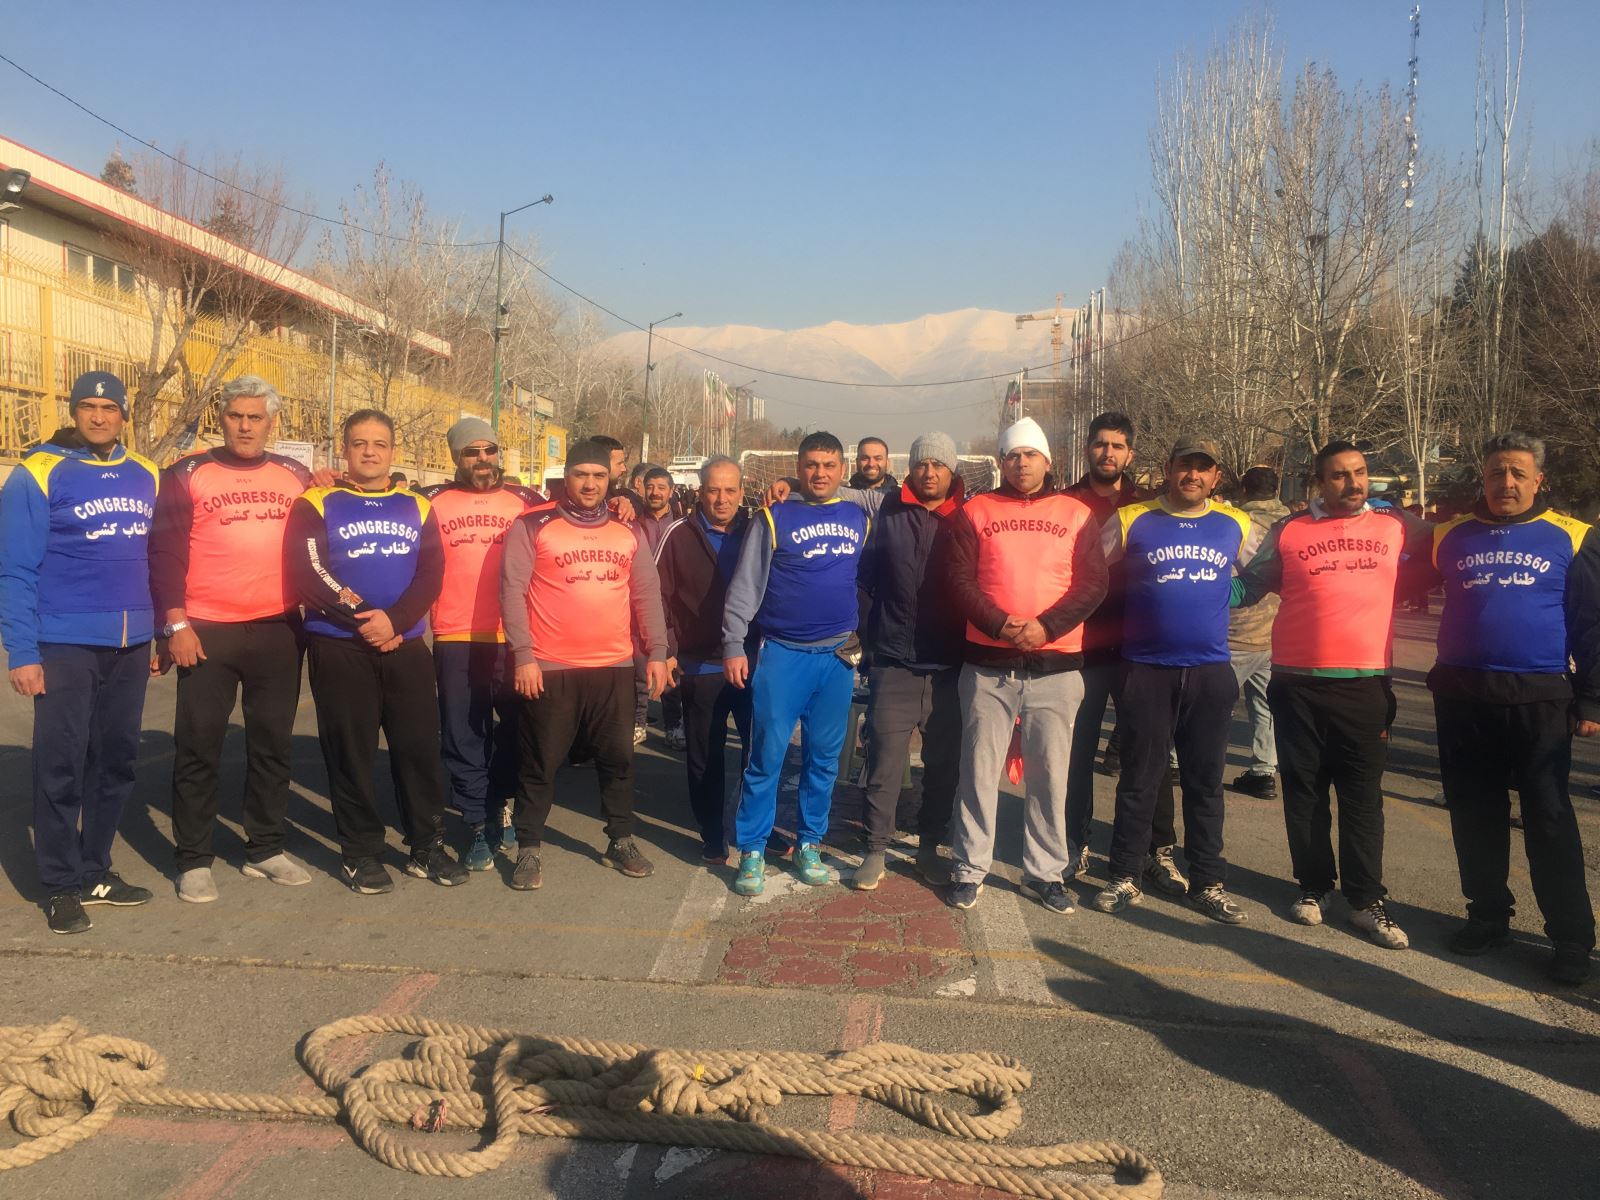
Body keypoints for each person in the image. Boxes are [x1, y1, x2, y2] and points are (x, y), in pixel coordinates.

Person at [1232, 441, 1429, 949]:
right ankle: (1313, 886)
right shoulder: (1290, 530)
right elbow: (1247, 587)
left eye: (1360, 472)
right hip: (1297, 684)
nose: (1353, 483)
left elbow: (1444, 553)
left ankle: (1365, 901)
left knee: (1362, 799)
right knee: (1305, 793)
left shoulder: (1395, 526)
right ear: (1319, 483)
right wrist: (1188, 589)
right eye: (1339, 475)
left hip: (1365, 684)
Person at [1428, 432, 1596, 985]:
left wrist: (1592, 697)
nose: (1507, 482)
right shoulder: (1449, 535)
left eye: (1518, 473)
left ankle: (1571, 937)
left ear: (1538, 480)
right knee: (1474, 813)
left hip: (1540, 698)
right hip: (1463, 695)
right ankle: (1487, 917)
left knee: (1548, 817)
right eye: (1497, 472)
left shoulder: (1573, 537)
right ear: (1483, 477)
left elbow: (1591, 624)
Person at [0, 371, 158, 934]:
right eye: (87, 406)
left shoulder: (147, 473)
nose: (98, 416)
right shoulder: (38, 472)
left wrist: (157, 631)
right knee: (61, 763)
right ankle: (61, 883)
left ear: (124, 415)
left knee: (115, 761)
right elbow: (14, 568)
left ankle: (96, 870)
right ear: (73, 411)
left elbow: (157, 556)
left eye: (109, 408)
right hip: (65, 642)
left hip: (132, 644)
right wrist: (22, 651)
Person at [285, 409, 467, 895]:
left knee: (418, 749)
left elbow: (431, 573)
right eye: (360, 443)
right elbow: (310, 571)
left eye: (379, 444)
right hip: (340, 645)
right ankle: (360, 852)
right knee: (351, 753)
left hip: (405, 646)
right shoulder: (316, 502)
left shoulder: (417, 506)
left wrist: (397, 620)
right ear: (345, 449)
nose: (369, 452)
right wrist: (366, 616)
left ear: (392, 451)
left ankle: (426, 845)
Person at [149, 375, 314, 903]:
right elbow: (165, 553)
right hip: (206, 630)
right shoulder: (186, 472)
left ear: (272, 422)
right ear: (220, 418)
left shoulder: (297, 475)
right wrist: (174, 625)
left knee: (272, 744)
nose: (245, 426)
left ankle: (265, 847)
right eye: (236, 416)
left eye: (255, 417)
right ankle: (193, 858)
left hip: (278, 628)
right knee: (199, 745)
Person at [942, 417, 1108, 913]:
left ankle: (1045, 873)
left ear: (1047, 460)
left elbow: (1092, 584)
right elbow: (958, 579)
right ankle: (969, 867)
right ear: (1001, 461)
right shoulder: (976, 511)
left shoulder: (1076, 513)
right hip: (988, 667)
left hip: (1056, 667)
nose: (1021, 463)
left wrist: (1046, 627)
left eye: (1030, 454)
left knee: (1050, 777)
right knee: (977, 772)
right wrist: (1000, 624)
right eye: (1012, 455)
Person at [1091, 437, 1256, 925]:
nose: (1193, 475)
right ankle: (1125, 874)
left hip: (1210, 671)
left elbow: (1270, 568)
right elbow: (1090, 570)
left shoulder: (1236, 523)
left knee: (1205, 783)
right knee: (1139, 780)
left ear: (1216, 476)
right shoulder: (1132, 518)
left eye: (1203, 468)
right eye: (1185, 465)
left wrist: (1231, 591)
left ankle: (1207, 883)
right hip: (1146, 669)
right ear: (1168, 469)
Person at [499, 439, 669, 890]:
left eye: (598, 476)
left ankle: (620, 840)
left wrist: (656, 651)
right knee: (540, 762)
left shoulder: (627, 530)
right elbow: (512, 592)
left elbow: (646, 594)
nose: (590, 484)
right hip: (551, 667)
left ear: (609, 479)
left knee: (618, 760)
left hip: (613, 666)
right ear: (566, 477)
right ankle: (529, 846)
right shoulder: (533, 525)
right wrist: (523, 656)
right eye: (581, 475)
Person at [722, 431, 869, 896]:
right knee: (766, 757)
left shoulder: (859, 516)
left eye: (829, 465)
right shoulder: (774, 515)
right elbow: (745, 586)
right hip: (783, 654)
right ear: (798, 467)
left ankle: (809, 842)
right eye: (811, 465)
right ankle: (751, 848)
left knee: (823, 760)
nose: (819, 473)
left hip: (837, 657)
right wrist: (732, 643)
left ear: (842, 469)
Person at [1061, 411, 1181, 891]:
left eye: (1117, 446)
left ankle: (1156, 850)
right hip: (1082, 649)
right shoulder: (1064, 504)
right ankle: (1074, 843)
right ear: (1087, 449)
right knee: (1077, 753)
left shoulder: (1150, 508)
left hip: (1142, 651)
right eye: (1100, 444)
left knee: (1150, 755)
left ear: (1130, 454)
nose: (1107, 453)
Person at [417, 417, 543, 871]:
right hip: (456, 636)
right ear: (456, 457)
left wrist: (627, 503)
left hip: (517, 638)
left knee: (518, 731)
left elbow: (580, 514)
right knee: (463, 734)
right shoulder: (429, 501)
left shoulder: (528, 501)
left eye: (489, 450)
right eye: (472, 452)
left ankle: (501, 804)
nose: (483, 459)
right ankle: (475, 823)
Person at [851, 431, 967, 890]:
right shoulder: (889, 512)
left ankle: (928, 847)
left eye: (938, 464)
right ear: (911, 469)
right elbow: (866, 579)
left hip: (948, 666)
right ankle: (876, 848)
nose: (929, 472)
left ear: (952, 470)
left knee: (942, 766)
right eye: (922, 464)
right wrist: (869, 636)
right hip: (893, 661)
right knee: (884, 761)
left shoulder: (968, 517)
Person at [654, 456, 757, 865]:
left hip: (752, 663)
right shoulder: (678, 534)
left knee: (758, 754)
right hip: (700, 667)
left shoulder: (759, 530)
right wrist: (667, 650)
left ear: (742, 492)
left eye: (730, 490)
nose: (721, 499)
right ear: (700, 492)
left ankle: (756, 828)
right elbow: (658, 596)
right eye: (713, 490)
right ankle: (712, 832)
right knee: (705, 756)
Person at [1226, 466, 1288, 800]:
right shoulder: (1291, 523)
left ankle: (1180, 761)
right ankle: (1264, 770)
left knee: (1212, 704)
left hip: (1235, 630)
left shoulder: (1235, 522)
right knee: (1266, 706)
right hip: (1275, 632)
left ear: (1244, 490)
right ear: (1276, 489)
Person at [635, 464, 685, 748]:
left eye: (661, 487)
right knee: (638, 668)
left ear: (671, 491)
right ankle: (638, 722)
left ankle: (674, 724)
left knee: (670, 666)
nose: (655, 492)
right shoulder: (631, 522)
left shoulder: (681, 526)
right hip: (636, 604)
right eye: (650, 487)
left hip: (669, 608)